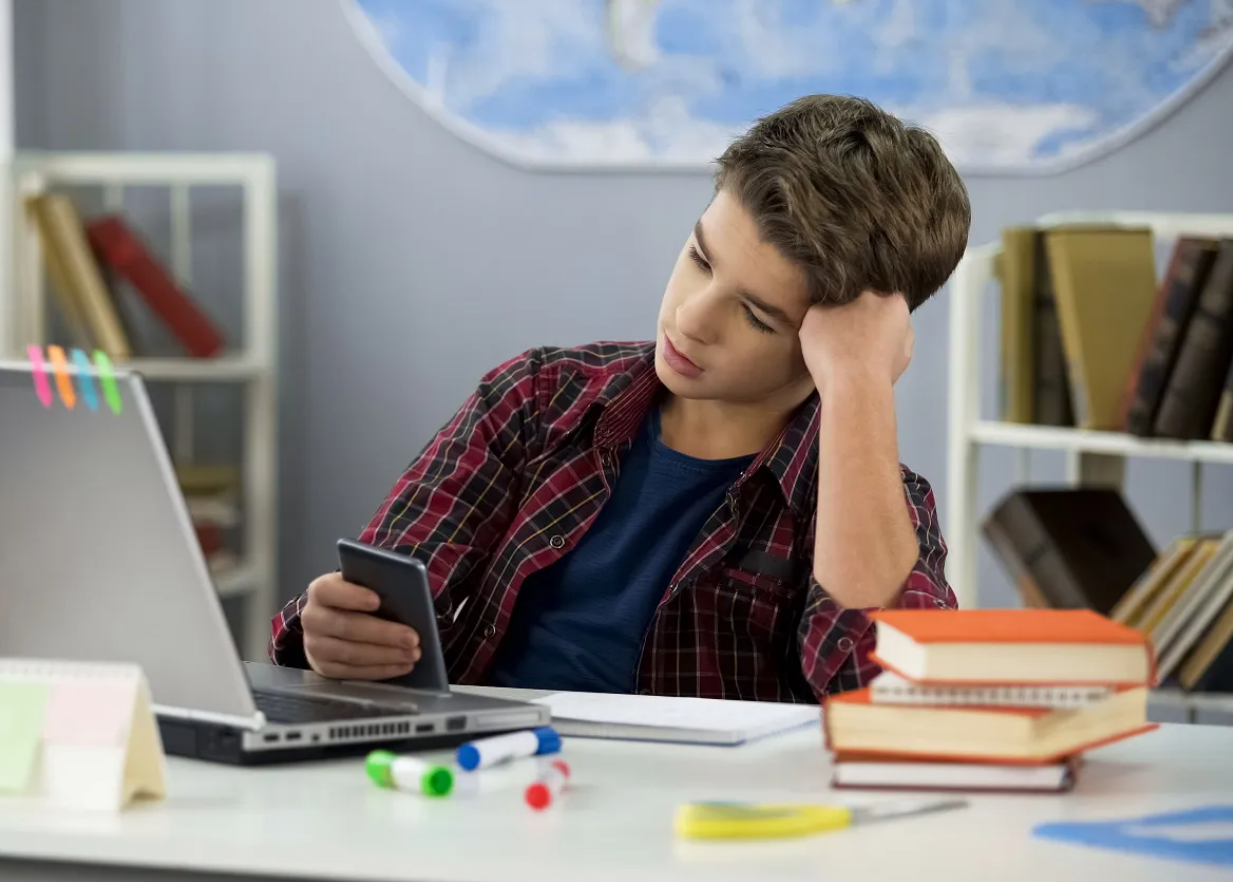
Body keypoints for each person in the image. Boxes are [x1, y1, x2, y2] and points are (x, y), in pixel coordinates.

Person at [268, 94, 970, 702]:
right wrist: (330, 633)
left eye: (756, 317)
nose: (692, 317)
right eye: (699, 258)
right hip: (487, 786)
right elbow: (375, 595)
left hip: (695, 836)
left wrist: (858, 384)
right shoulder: (539, 399)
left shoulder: (878, 505)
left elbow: (887, 697)